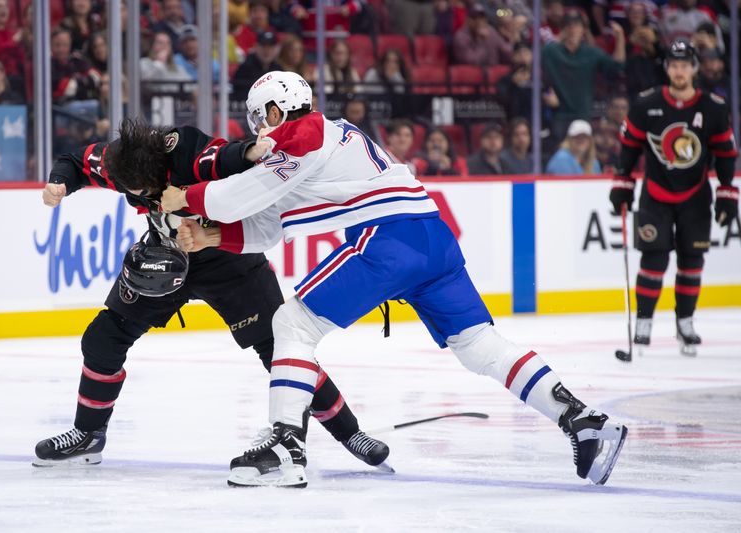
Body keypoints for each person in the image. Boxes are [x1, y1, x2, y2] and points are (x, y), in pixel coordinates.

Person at [159, 71, 628, 488]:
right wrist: (211, 237)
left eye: (260, 118)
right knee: (478, 344)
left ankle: (285, 447)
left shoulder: (306, 130)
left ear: (278, 108)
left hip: (389, 239)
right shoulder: (316, 146)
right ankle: (580, 419)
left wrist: (185, 196)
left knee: (293, 325)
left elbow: (239, 194)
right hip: (431, 237)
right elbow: (269, 220)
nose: (258, 131)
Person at [32, 119, 390, 469]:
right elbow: (75, 161)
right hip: (164, 257)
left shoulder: (185, 150)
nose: (145, 198)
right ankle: (87, 434)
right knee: (103, 339)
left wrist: (252, 150)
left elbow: (224, 157)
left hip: (228, 257)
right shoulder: (118, 161)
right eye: (137, 194)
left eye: (148, 190)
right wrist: (58, 185)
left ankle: (351, 434)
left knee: (280, 349)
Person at [609, 39, 738, 356]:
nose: (679, 71)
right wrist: (622, 183)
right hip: (656, 194)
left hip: (695, 197)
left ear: (693, 69)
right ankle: (643, 323)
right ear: (667, 69)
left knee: (692, 261)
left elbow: (725, 153)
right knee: (653, 258)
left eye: (685, 65)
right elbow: (629, 148)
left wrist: (727, 191)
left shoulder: (714, 108)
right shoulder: (645, 104)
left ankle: (685, 322)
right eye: (674, 66)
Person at [541, 10, 626, 142]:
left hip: (582, 114)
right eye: (569, 26)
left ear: (583, 30)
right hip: (559, 114)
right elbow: (536, 66)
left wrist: (620, 37)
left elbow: (616, 67)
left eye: (577, 26)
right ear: (563, 29)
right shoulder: (551, 51)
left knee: (582, 155)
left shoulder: (591, 53)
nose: (573, 30)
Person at [51, 28, 101, 104]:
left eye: (65, 45)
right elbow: (64, 88)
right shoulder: (49, 65)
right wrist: (85, 82)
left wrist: (75, 83)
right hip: (59, 109)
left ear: (70, 45)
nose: (61, 49)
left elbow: (96, 78)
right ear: (51, 46)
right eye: (57, 45)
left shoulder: (77, 59)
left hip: (84, 104)